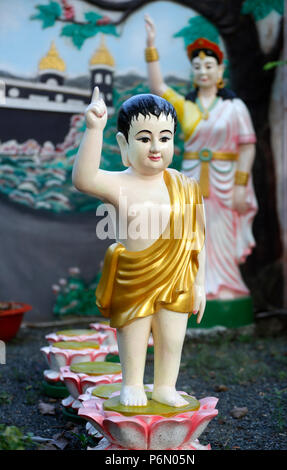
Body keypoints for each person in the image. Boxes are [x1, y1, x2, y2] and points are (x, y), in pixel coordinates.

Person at [72, 88, 206, 407]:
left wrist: (200, 284)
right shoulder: (121, 183)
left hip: (178, 276)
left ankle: (164, 386)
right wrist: (93, 130)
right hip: (135, 276)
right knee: (134, 334)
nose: (156, 147)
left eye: (164, 137)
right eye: (144, 139)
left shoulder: (186, 186)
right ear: (124, 145)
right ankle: (132, 383)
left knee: (172, 338)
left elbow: (199, 240)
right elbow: (84, 178)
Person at [144, 15, 258, 301]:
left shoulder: (235, 107)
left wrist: (241, 184)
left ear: (220, 70)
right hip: (192, 177)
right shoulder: (186, 106)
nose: (203, 71)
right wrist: (151, 47)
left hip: (226, 178)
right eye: (197, 67)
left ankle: (226, 286)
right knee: (190, 232)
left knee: (222, 231)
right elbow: (158, 88)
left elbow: (247, 147)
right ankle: (194, 286)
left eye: (209, 66)